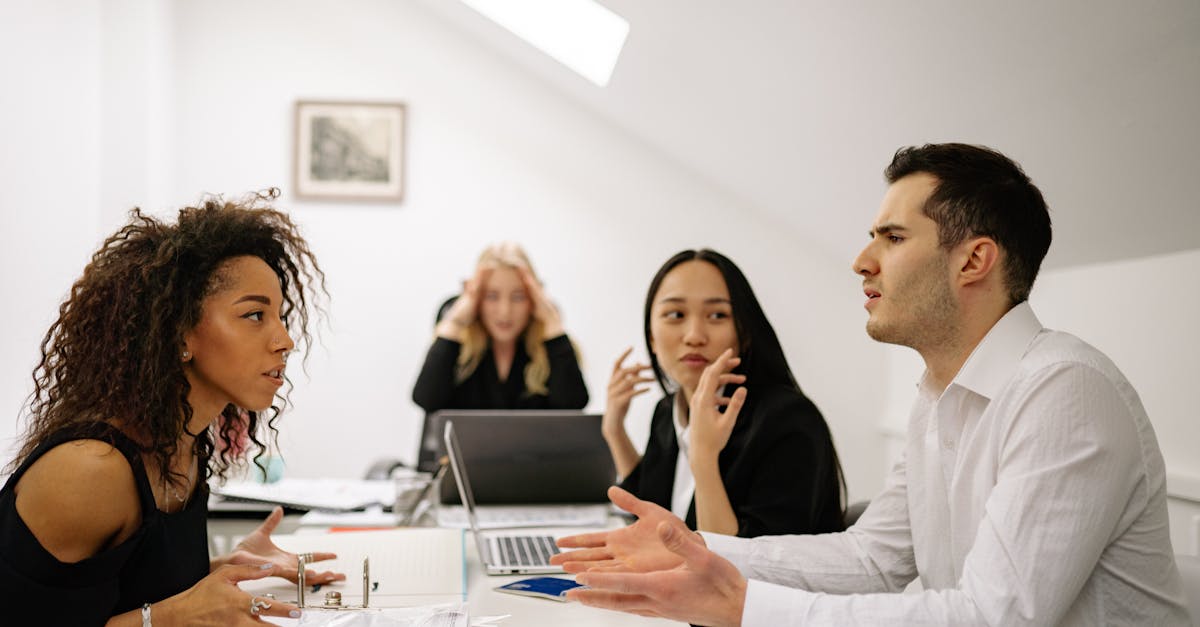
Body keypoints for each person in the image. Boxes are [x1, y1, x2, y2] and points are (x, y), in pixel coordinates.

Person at [552, 143, 1190, 625]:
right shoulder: (936, 399)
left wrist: (741, 602)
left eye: (893, 238)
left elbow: (992, 616)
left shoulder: (1064, 390)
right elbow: (874, 560)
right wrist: (692, 549)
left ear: (973, 260)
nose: (862, 262)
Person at [0, 191, 345, 625]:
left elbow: (121, 593)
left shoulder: (184, 444)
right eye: (255, 316)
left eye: (280, 316)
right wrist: (175, 614)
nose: (285, 341)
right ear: (180, 333)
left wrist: (225, 569)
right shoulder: (91, 470)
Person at [601, 249, 844, 537]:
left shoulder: (788, 420)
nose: (694, 336)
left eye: (718, 315)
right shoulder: (669, 410)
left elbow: (742, 559)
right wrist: (614, 429)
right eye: (675, 314)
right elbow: (650, 515)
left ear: (744, 332)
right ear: (651, 336)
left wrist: (703, 457)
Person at [411, 242, 588, 471]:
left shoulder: (548, 347)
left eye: (518, 297)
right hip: (463, 479)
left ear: (534, 300)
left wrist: (552, 323)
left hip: (534, 478)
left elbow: (574, 405)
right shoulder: (458, 347)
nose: (505, 312)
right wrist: (454, 322)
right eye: (492, 296)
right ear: (476, 299)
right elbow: (426, 399)